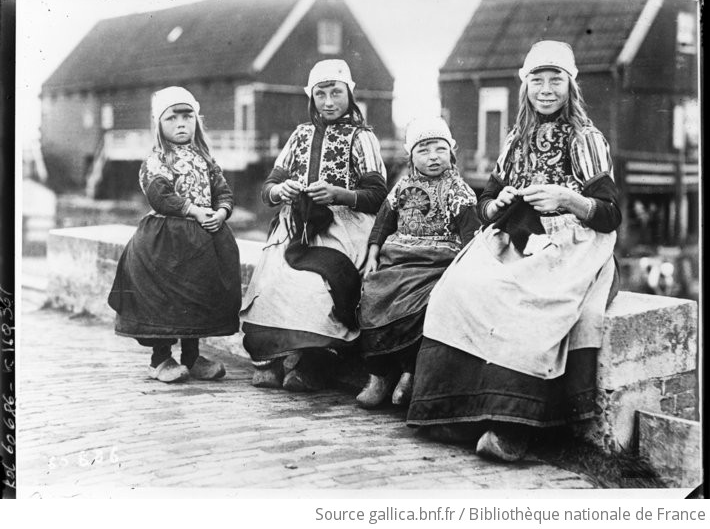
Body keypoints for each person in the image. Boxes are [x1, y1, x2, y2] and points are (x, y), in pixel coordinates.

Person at [407, 41, 621, 461]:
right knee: (457, 290)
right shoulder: (515, 139)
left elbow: (610, 214)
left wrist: (568, 198)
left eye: (555, 79)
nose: (546, 89)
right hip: (517, 236)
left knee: (527, 306)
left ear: (570, 85)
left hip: (570, 243)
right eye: (536, 80)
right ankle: (453, 412)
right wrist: (498, 204)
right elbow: (484, 202)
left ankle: (511, 427)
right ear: (525, 87)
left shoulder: (586, 139)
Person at [240, 59, 388, 392]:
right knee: (275, 280)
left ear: (349, 94)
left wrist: (340, 193)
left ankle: (312, 362)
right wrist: (282, 190)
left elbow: (378, 195)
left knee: (318, 286)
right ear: (312, 98)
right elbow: (269, 186)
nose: (329, 102)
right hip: (298, 226)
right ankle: (274, 358)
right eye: (320, 94)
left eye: (336, 92)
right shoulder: (300, 135)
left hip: (344, 227)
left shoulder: (362, 137)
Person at [108, 86, 242, 383]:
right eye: (172, 118)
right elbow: (160, 196)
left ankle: (192, 358)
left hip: (203, 240)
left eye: (187, 116)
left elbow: (223, 192)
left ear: (196, 120)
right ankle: (160, 359)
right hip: (165, 241)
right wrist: (194, 210)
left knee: (196, 298)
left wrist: (220, 213)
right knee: (165, 300)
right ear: (159, 123)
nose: (181, 124)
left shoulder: (205, 158)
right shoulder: (157, 159)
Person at [356, 117, 479, 408]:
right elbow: (382, 225)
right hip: (398, 259)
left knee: (422, 306)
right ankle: (379, 375)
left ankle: (410, 374)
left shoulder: (459, 191)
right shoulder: (401, 188)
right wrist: (373, 255)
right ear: (411, 155)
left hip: (437, 263)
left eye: (440, 148)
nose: (433, 156)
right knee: (373, 296)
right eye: (424, 150)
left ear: (452, 151)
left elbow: (472, 236)